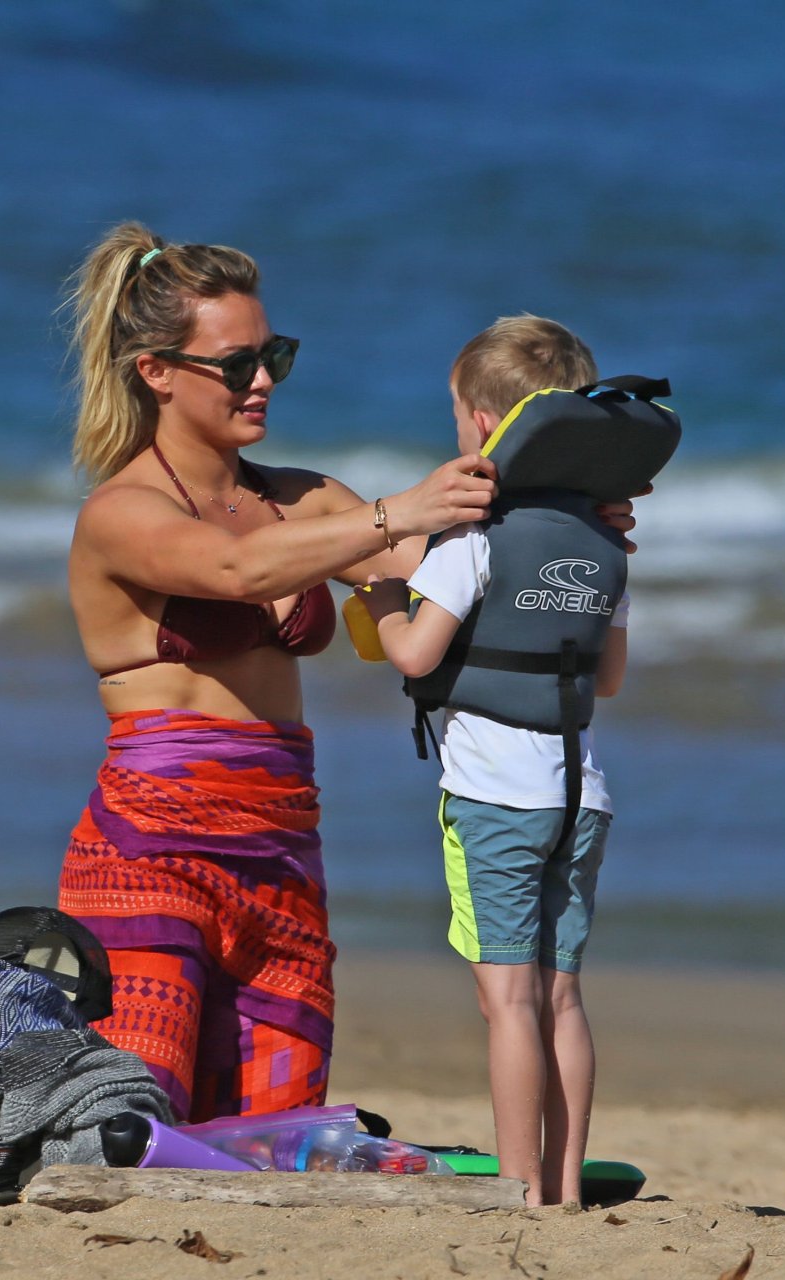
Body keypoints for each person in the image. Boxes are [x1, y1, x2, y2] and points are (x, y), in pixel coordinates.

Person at [53, 222, 503, 1123]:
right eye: (236, 364)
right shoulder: (121, 512)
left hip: (283, 851)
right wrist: (398, 510)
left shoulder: (305, 499)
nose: (261, 380)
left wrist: (574, 520)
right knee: (140, 1126)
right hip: (153, 851)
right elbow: (236, 571)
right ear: (156, 372)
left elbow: (450, 571)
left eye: (274, 357)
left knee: (274, 1137)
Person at [358, 316, 635, 1206]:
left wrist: (382, 597)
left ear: (482, 423)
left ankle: (517, 1185)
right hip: (580, 797)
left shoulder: (472, 540)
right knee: (562, 998)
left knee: (508, 1001)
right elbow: (609, 678)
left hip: (494, 801)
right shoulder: (604, 543)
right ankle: (564, 1186)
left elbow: (415, 656)